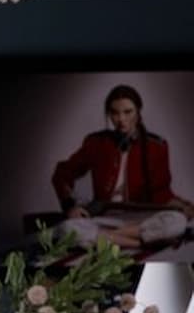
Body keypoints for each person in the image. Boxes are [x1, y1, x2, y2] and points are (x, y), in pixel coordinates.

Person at [50, 83, 194, 252]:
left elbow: (162, 192)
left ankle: (105, 239)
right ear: (109, 114)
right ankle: (138, 243)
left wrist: (184, 206)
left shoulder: (157, 146)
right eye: (114, 113)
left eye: (128, 112)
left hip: (142, 219)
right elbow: (62, 173)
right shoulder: (96, 143)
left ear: (138, 112)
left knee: (176, 222)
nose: (121, 119)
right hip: (104, 218)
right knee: (66, 229)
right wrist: (70, 206)